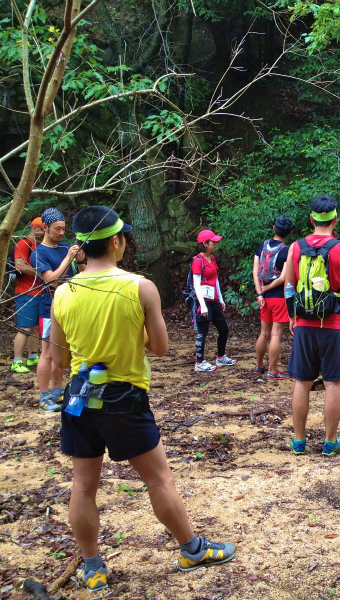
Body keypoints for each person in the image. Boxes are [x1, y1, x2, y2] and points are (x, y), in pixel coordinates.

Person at [50, 206, 236, 592]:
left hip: (79, 397)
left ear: (82, 247)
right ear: (116, 242)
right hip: (125, 399)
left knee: (83, 486)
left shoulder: (63, 292)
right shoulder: (139, 287)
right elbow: (162, 348)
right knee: (158, 479)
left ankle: (93, 567)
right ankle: (192, 549)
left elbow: (61, 358)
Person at [284, 195, 340, 456]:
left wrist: (293, 317)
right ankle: (329, 442)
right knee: (332, 382)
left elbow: (290, 286)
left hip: (304, 324)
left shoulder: (295, 247)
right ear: (335, 219)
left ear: (311, 218)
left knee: (302, 382)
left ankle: (298, 441)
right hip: (334, 324)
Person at [30, 208, 79, 412]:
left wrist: (81, 258)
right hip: (49, 306)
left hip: (70, 304)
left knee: (62, 350)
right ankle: (44, 396)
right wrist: (69, 257)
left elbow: (80, 273)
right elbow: (51, 279)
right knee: (48, 352)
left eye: (63, 229)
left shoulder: (66, 247)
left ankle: (58, 392)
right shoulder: (39, 253)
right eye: (57, 229)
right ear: (45, 228)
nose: (61, 233)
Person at [253, 216, 294, 380]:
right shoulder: (287, 250)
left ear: (273, 228)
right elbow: (284, 277)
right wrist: (269, 288)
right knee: (276, 335)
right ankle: (272, 370)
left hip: (264, 299)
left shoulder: (262, 245)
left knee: (264, 334)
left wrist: (260, 293)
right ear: (290, 233)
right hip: (278, 297)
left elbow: (255, 271)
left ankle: (259, 365)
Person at [191, 230, 236, 372]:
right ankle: (199, 362)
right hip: (203, 301)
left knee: (223, 328)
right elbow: (196, 284)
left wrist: (220, 299)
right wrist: (203, 306)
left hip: (214, 299)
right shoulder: (198, 261)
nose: (216, 244)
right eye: (213, 242)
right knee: (203, 332)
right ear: (205, 243)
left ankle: (221, 357)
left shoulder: (213, 259)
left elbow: (215, 279)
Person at [11, 217, 45, 374]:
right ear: (35, 229)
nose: (45, 233)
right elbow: (20, 265)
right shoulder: (23, 244)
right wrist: (41, 273)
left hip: (39, 291)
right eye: (43, 230)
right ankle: (17, 361)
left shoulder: (39, 246)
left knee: (36, 327)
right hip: (26, 291)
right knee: (25, 327)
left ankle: (33, 356)